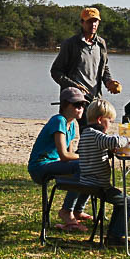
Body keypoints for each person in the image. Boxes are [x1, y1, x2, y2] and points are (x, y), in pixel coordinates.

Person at [76, 98, 130, 245]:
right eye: (109, 121)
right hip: (98, 185)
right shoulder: (95, 135)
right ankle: (115, 236)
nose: (110, 125)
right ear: (99, 120)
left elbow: (97, 151)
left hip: (86, 182)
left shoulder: (86, 134)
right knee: (128, 202)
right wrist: (127, 139)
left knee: (122, 202)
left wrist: (108, 152)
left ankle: (113, 233)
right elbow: (114, 141)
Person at [27, 87, 86, 231]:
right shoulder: (58, 120)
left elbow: (70, 155)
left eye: (83, 105)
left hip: (55, 164)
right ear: (65, 105)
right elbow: (64, 155)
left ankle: (78, 210)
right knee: (84, 165)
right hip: (41, 166)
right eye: (77, 105)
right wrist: (86, 157)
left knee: (90, 166)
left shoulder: (71, 124)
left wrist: (87, 159)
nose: (80, 108)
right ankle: (67, 211)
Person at [51, 6, 122, 103]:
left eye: (95, 21)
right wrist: (73, 86)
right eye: (89, 21)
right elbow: (56, 71)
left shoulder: (101, 43)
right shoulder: (70, 44)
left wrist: (109, 82)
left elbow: (104, 68)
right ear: (82, 22)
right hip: (74, 98)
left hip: (95, 99)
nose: (93, 24)